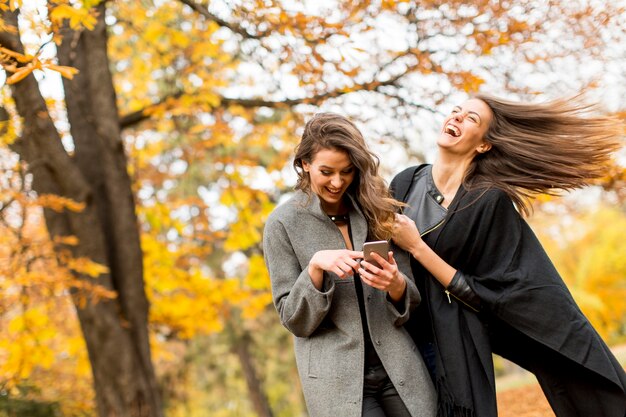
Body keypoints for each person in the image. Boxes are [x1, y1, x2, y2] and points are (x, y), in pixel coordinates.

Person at [390, 93, 626, 417]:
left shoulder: (487, 200)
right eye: (456, 111)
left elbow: (484, 295)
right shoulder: (405, 182)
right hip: (402, 338)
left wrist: (417, 246)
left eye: (471, 118)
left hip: (451, 346)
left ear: (484, 144)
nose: (456, 117)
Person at [263, 113, 437, 417]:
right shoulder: (281, 224)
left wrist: (396, 285)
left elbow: (411, 299)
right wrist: (315, 269)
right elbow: (293, 319)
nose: (337, 181)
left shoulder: (375, 210)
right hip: (336, 381)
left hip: (399, 367)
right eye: (326, 171)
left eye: (347, 171)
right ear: (305, 163)